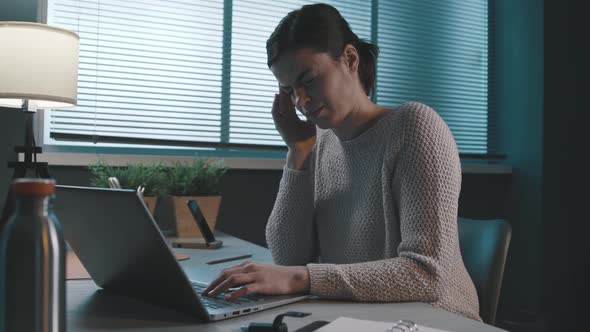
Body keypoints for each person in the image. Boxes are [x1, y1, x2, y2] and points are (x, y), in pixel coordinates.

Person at [202, 3, 481, 321]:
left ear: (349, 59)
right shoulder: (319, 142)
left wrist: (303, 278)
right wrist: (298, 150)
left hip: (436, 319)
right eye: (289, 90)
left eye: (308, 81)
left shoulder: (415, 127)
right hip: (362, 318)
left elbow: (426, 276)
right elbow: (288, 256)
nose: (301, 102)